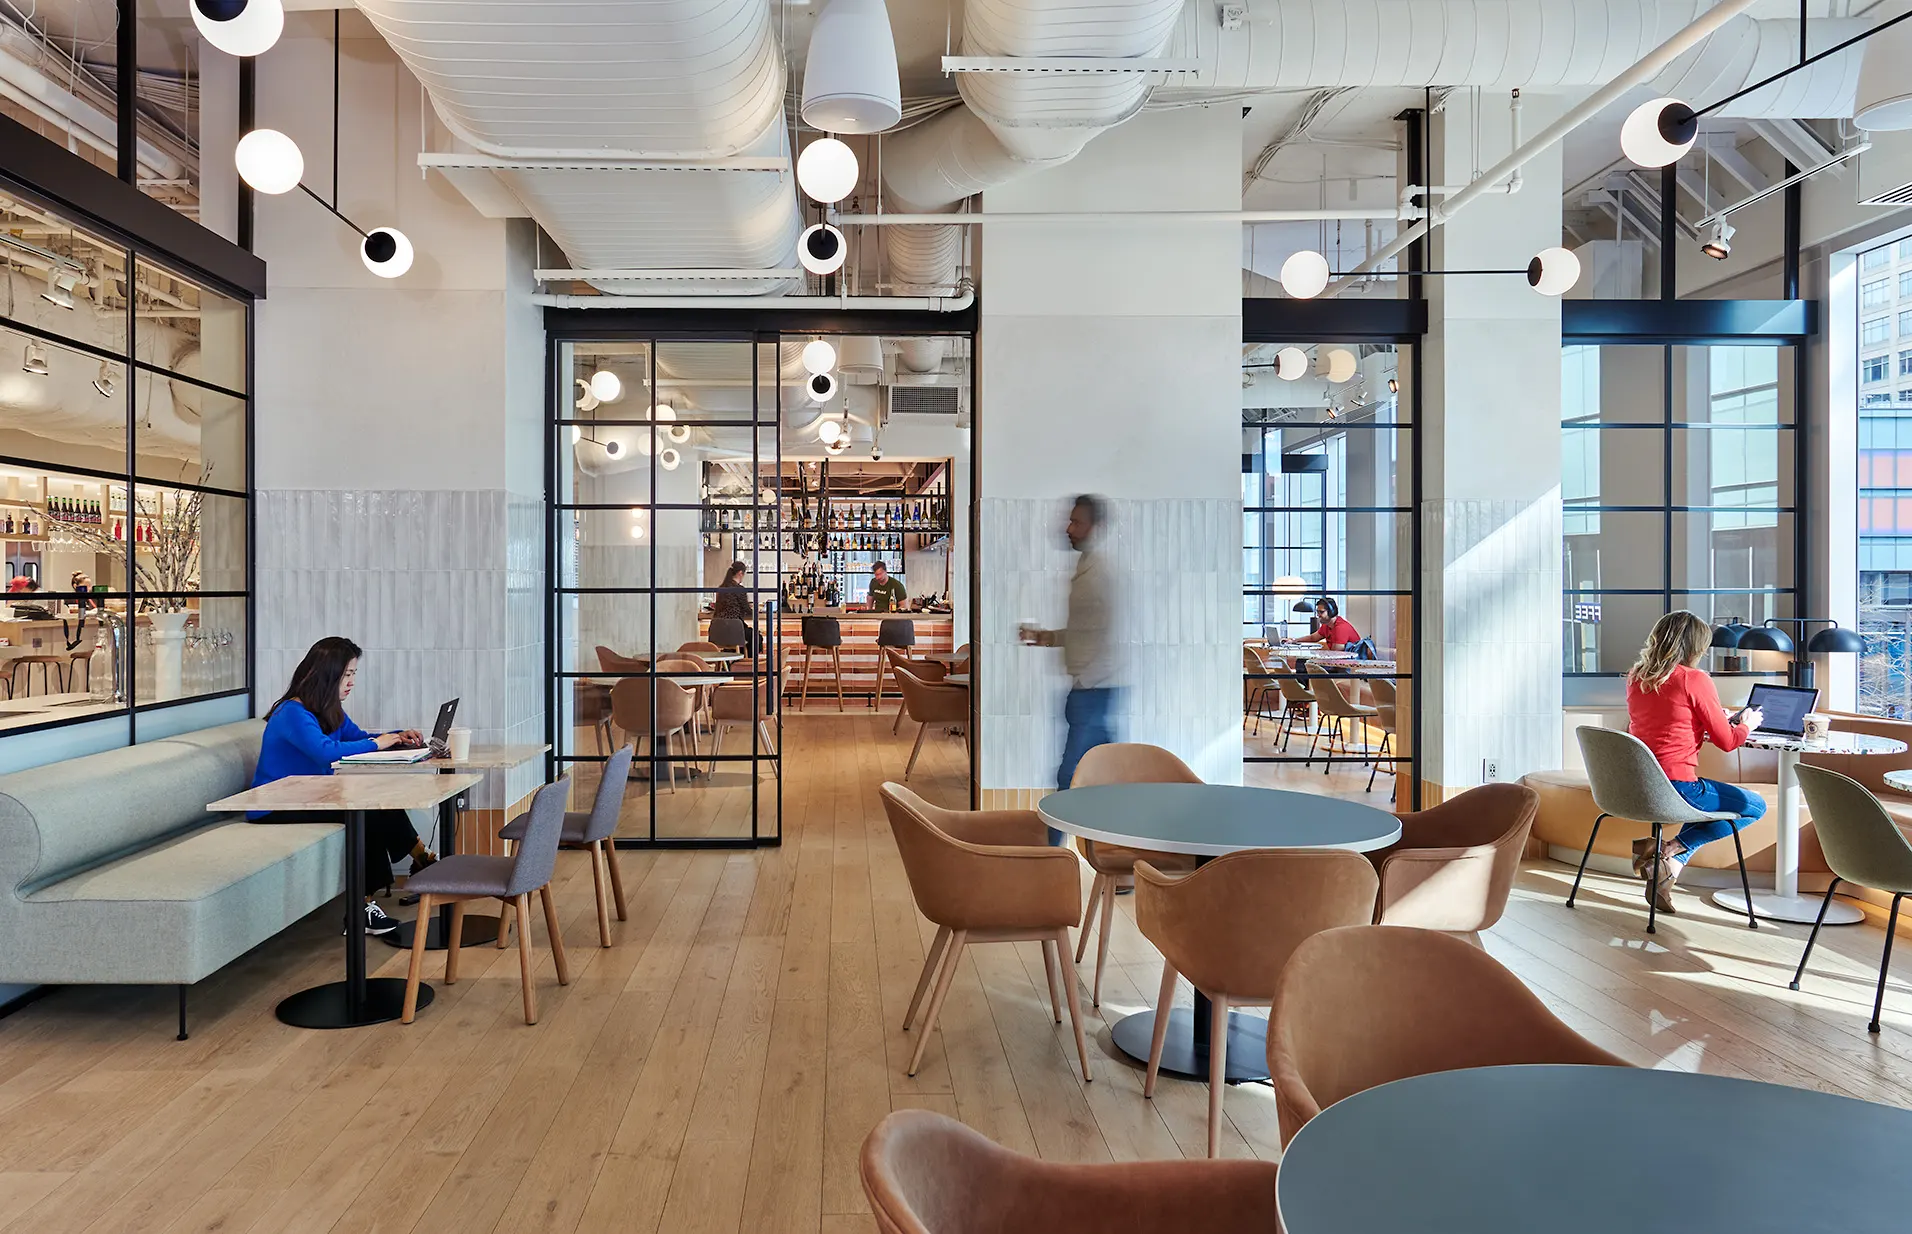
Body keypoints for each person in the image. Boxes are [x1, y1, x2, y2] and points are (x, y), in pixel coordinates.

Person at [250, 636, 436, 935]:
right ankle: (363, 909)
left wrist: (396, 736)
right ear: (327, 675)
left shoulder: (329, 710)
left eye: (353, 675)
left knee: (375, 801)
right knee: (364, 813)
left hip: (310, 797)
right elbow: (324, 751)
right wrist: (377, 743)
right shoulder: (292, 713)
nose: (351, 682)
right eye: (347, 675)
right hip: (276, 805)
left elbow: (357, 738)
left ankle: (422, 862)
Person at [1625, 610, 1767, 914]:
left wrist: (1708, 721)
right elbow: (1728, 742)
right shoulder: (1694, 679)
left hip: (1637, 787)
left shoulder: (1637, 677)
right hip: (1677, 788)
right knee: (1755, 807)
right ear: (1695, 647)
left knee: (1706, 807)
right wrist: (1746, 725)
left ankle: (1665, 868)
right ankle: (1669, 852)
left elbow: (1659, 722)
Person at [1020, 494, 1120, 844]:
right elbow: (1083, 630)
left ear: (1095, 526)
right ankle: (1114, 853)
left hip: (1094, 689)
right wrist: (1043, 636)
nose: (1068, 527)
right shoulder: (1087, 568)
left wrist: (1085, 676)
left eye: (1076, 521)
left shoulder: (1100, 574)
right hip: (1089, 688)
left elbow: (1111, 631)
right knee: (1100, 778)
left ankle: (1053, 855)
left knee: (1070, 777)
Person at [711, 559, 756, 654]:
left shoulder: (721, 588)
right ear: (740, 573)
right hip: (734, 629)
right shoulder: (739, 589)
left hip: (717, 630)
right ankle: (745, 664)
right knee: (755, 637)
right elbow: (747, 610)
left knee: (745, 636)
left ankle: (728, 663)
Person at [1294, 598, 1360, 650]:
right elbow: (1312, 638)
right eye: (1317, 612)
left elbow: (1336, 653)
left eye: (1321, 612)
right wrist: (1294, 641)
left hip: (1350, 664)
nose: (1318, 615)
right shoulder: (1327, 625)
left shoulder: (1340, 628)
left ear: (1331, 612)